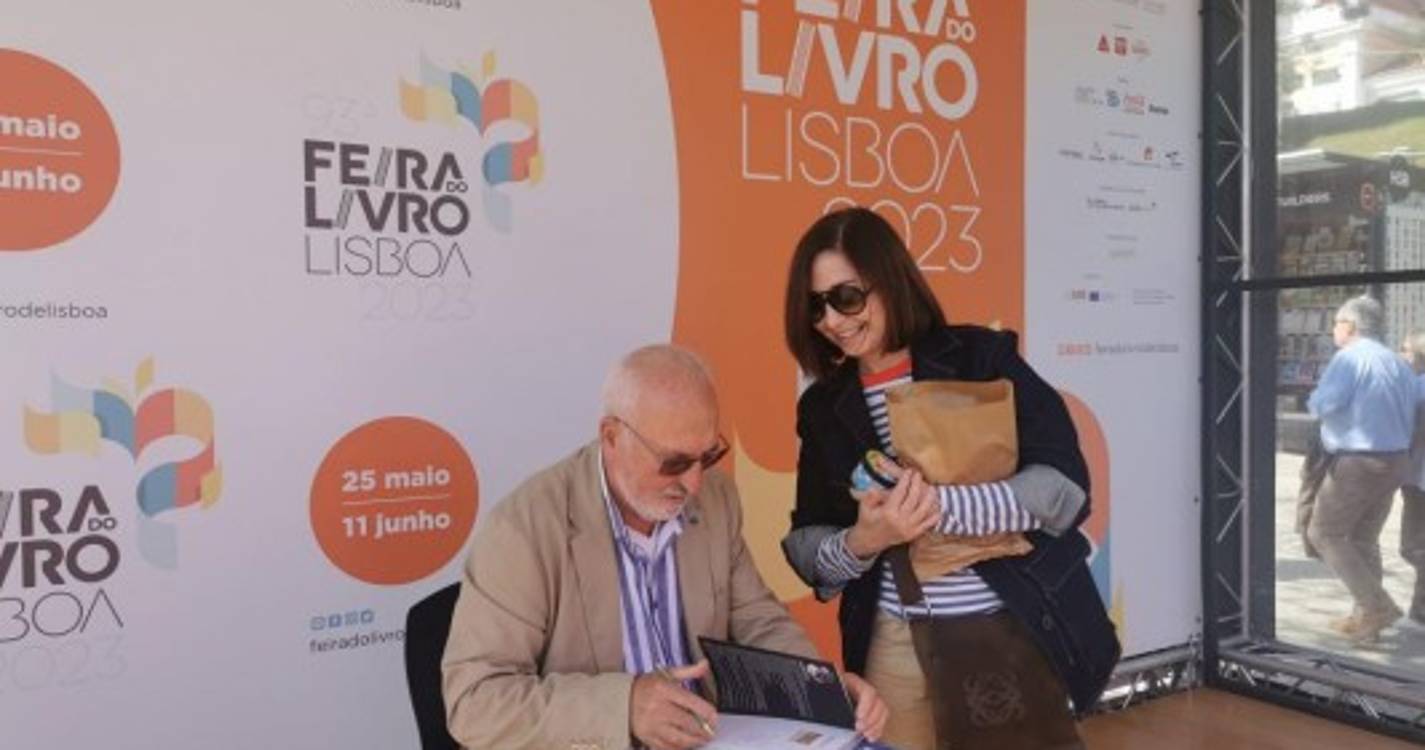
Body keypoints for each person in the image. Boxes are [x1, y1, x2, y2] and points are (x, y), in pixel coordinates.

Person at [779, 207, 1119, 750]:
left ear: (889, 279)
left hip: (1006, 625)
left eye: (846, 298)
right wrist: (868, 539)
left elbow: (1065, 485)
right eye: (816, 306)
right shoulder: (823, 407)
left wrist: (937, 506)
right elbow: (805, 549)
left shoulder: (983, 357)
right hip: (891, 644)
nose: (833, 321)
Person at [441, 344, 888, 750]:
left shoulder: (716, 499)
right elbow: (475, 702)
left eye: (707, 456)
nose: (693, 483)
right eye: (673, 463)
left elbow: (755, 617)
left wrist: (821, 690)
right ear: (612, 437)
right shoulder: (524, 530)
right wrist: (624, 707)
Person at [1306, 295, 1418, 643]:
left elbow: (1326, 403)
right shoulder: (1396, 362)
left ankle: (1374, 606)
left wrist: (1314, 401)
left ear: (1350, 326)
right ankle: (1366, 621)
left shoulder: (1349, 358)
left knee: (1324, 533)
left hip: (1359, 459)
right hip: (1395, 458)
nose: (1333, 329)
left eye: (1336, 322)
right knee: (1362, 537)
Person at [1398, 329, 1425, 627]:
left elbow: (1414, 432)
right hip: (1416, 478)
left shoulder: (1418, 386)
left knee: (1413, 547)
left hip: (1418, 479)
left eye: (1405, 350)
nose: (1401, 355)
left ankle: (1421, 612)